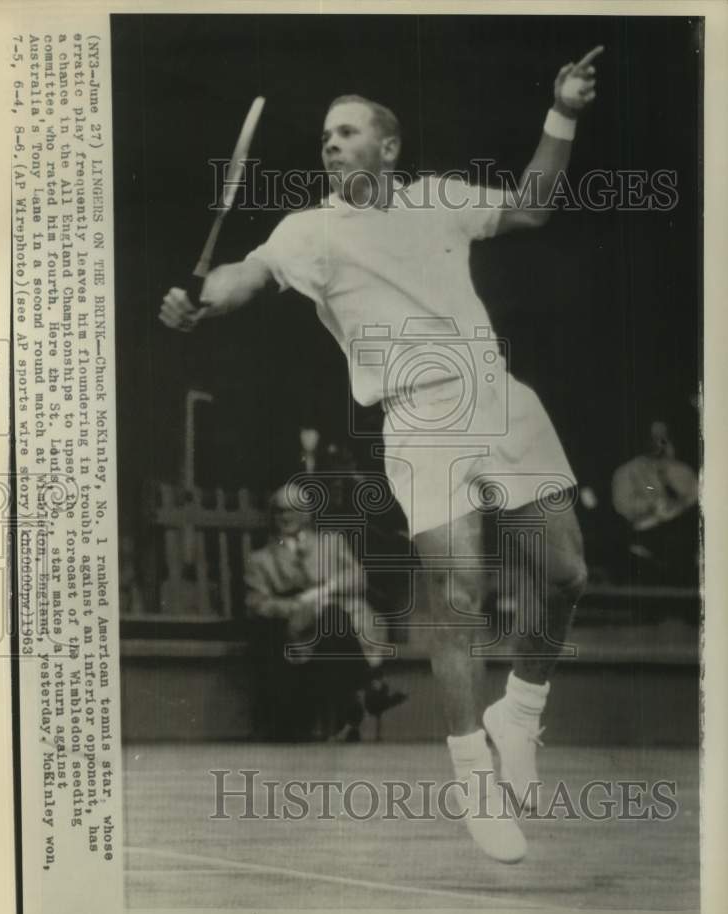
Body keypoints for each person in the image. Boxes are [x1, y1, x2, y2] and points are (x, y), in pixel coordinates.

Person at [161, 50, 601, 862]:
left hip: (497, 397)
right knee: (460, 589)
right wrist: (200, 301)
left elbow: (535, 209)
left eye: (347, 131)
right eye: (325, 135)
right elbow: (243, 274)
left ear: (387, 149)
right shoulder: (310, 232)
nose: (329, 144)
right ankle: (473, 773)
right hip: (417, 421)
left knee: (567, 573)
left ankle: (521, 713)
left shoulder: (439, 200)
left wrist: (562, 111)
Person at [245, 486, 406, 741]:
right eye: (279, 512)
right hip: (298, 628)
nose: (286, 517)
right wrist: (299, 604)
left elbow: (358, 578)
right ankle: (370, 688)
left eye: (293, 510)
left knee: (334, 620)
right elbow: (257, 604)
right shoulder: (261, 559)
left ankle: (351, 710)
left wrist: (326, 590)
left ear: (306, 514)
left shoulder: (331, 543)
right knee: (333, 620)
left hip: (341, 623)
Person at [611, 420, 699, 585]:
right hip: (646, 534)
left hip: (681, 533)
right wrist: (651, 506)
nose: (658, 442)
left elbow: (696, 499)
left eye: (662, 437)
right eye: (652, 437)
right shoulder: (626, 472)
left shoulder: (682, 470)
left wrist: (680, 505)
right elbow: (622, 505)